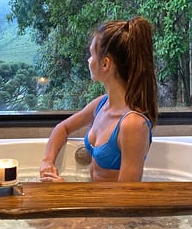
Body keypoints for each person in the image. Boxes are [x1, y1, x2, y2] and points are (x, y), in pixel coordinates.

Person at [40, 16, 158, 182]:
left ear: (105, 64)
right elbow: (63, 128)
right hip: (92, 195)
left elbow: (127, 195)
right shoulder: (102, 104)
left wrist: (66, 191)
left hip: (105, 200)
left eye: (91, 54)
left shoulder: (133, 124)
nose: (88, 61)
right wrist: (47, 162)